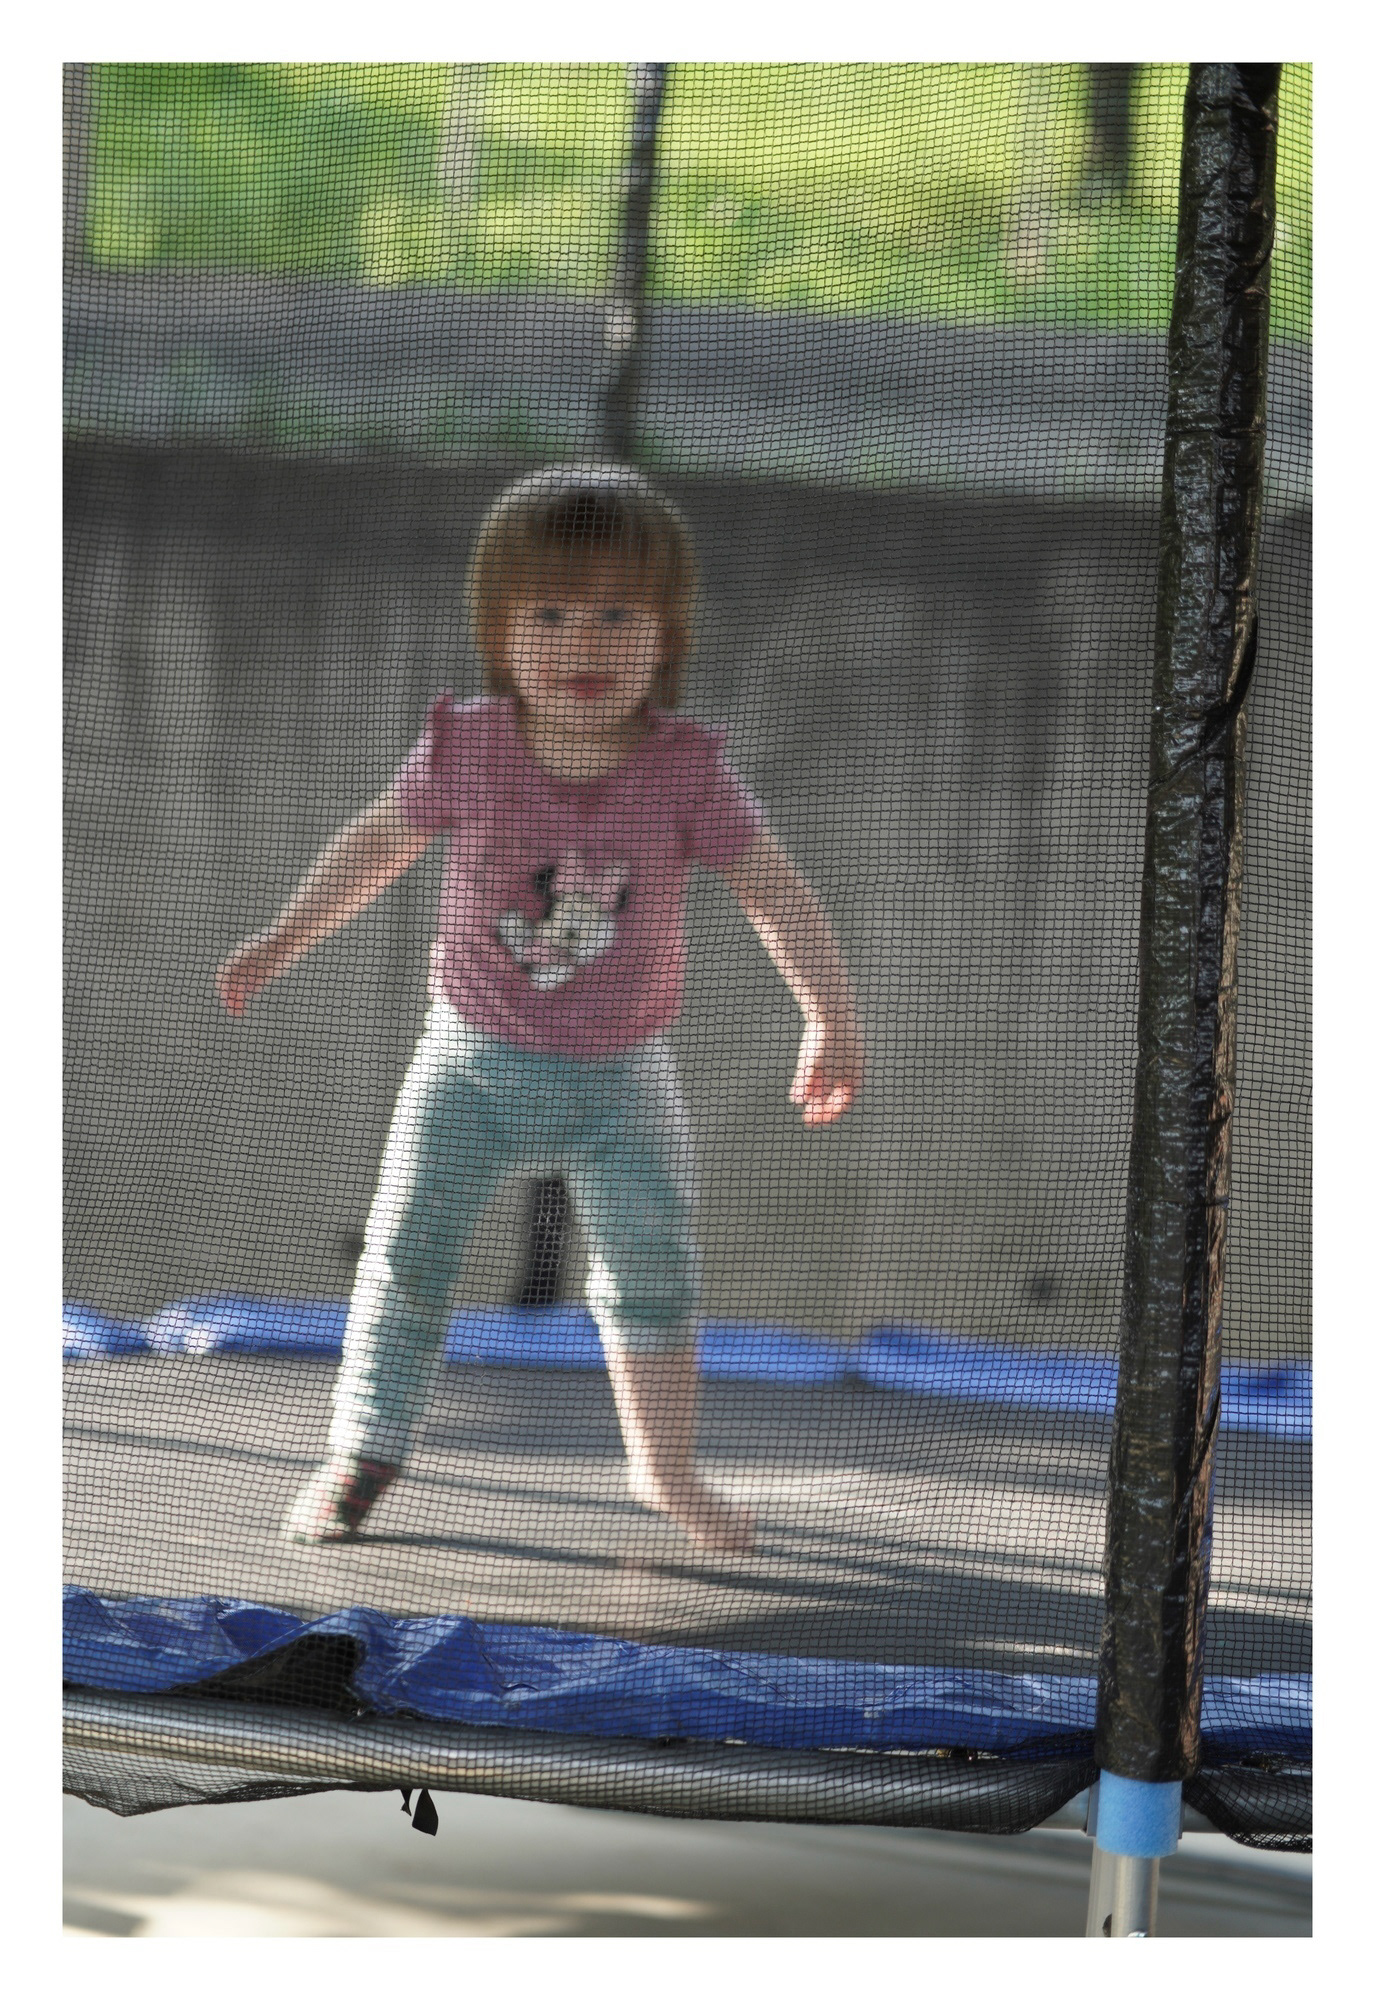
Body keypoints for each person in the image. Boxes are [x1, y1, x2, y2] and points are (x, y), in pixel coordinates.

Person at [216, 465, 864, 1554]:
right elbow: (376, 845)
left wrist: (828, 1014)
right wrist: (285, 934)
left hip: (622, 1084)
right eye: (550, 614)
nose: (584, 642)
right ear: (499, 634)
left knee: (655, 1271)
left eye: (618, 614)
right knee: (405, 1254)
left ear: (666, 635)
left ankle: (664, 1468)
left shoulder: (685, 773)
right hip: (466, 1065)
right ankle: (363, 1450)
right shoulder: (469, 747)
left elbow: (775, 889)